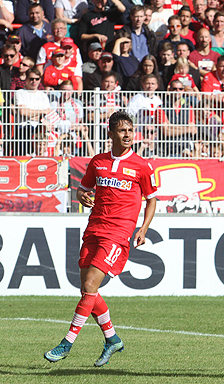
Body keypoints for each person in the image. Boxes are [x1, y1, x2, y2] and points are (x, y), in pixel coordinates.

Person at [44, 111, 158, 366]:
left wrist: (143, 228)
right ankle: (112, 339)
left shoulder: (142, 165)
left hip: (118, 233)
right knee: (88, 290)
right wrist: (82, 196)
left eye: (130, 130)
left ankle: (67, 343)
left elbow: (152, 200)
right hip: (94, 228)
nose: (127, 135)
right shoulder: (98, 162)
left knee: (90, 285)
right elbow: (83, 188)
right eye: (122, 130)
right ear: (111, 133)